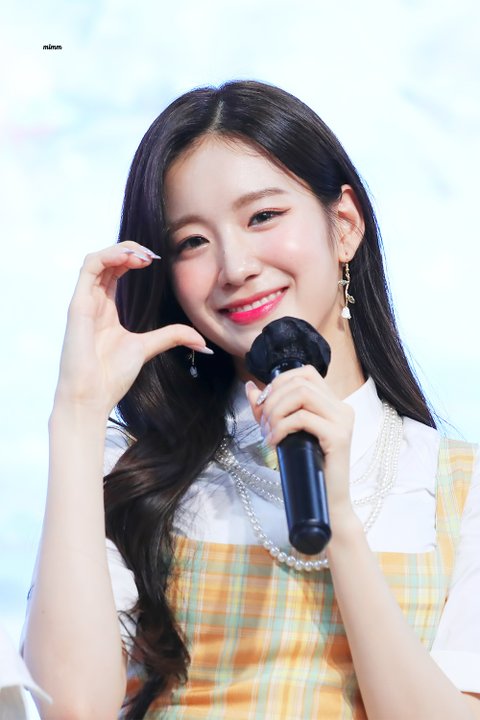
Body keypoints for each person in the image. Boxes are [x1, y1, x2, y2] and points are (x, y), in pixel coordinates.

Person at [22, 80, 480, 720]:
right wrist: (77, 413)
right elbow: (71, 709)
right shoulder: (132, 471)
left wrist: (339, 521)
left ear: (344, 224)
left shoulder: (458, 488)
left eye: (262, 216)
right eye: (192, 242)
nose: (235, 266)